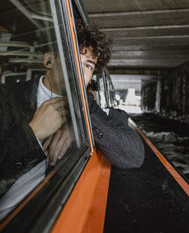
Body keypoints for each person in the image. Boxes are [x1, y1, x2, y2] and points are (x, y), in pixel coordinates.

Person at [0, 22, 144, 218]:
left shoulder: (89, 107)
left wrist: (80, 122)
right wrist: (33, 133)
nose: (79, 70)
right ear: (49, 60)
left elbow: (133, 155)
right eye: (72, 58)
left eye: (88, 65)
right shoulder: (5, 98)